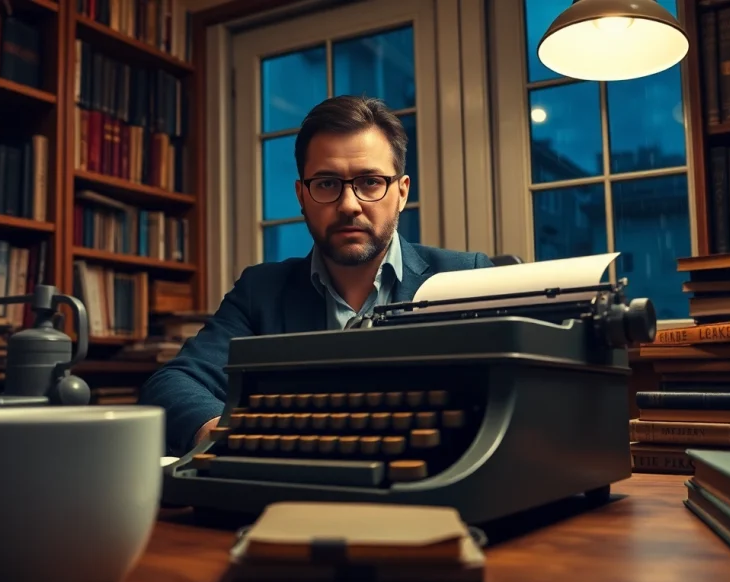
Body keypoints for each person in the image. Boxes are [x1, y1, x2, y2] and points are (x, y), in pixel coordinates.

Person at [140, 95, 494, 454]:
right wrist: (230, 436)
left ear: (401, 193)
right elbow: (173, 381)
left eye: (370, 182)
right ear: (301, 195)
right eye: (326, 183)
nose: (349, 205)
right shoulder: (260, 291)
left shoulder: (468, 278)